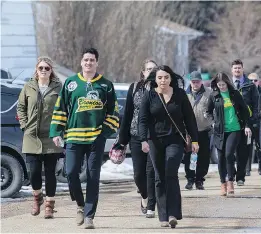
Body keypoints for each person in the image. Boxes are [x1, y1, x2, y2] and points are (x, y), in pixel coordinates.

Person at [49, 48, 119, 229]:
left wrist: (104, 132)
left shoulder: (106, 85)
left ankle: (89, 216)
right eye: (86, 60)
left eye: (92, 60)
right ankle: (79, 203)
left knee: (93, 176)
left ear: (97, 63)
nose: (89, 63)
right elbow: (61, 109)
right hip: (73, 137)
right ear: (81, 62)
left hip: (96, 138)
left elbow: (113, 113)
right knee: (71, 172)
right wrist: (56, 132)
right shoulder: (71, 83)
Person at [138, 65, 199, 228]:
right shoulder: (149, 95)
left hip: (175, 140)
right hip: (154, 140)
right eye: (159, 78)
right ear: (155, 79)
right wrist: (143, 139)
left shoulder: (180, 95)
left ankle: (173, 213)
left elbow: (190, 119)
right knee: (159, 177)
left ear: (171, 78)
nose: (163, 80)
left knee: (170, 170)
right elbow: (142, 119)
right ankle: (163, 216)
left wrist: (195, 141)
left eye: (166, 77)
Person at [17, 57, 62, 219]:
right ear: (36, 70)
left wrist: (60, 129)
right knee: (33, 172)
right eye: (41, 68)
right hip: (31, 136)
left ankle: (49, 205)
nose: (43, 70)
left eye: (47, 68)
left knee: (50, 172)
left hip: (51, 136)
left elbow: (64, 109)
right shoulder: (28, 87)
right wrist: (24, 125)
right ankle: (37, 197)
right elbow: (21, 107)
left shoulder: (58, 87)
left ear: (51, 71)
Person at [117, 59, 157, 218]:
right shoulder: (134, 88)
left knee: (152, 172)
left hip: (155, 137)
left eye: (154, 69)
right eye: (148, 69)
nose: (151, 72)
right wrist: (122, 139)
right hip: (136, 136)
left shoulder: (162, 88)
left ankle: (152, 205)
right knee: (139, 174)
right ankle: (145, 196)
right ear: (143, 72)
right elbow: (127, 114)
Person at [207, 72, 251, 196]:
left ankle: (231, 181)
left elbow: (245, 111)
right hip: (219, 131)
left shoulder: (235, 94)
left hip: (234, 129)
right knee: (220, 158)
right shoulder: (214, 96)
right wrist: (213, 122)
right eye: (219, 85)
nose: (221, 87)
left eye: (223, 84)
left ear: (227, 83)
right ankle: (223, 184)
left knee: (228, 154)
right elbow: (208, 112)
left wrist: (247, 125)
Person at [231, 59, 258, 186]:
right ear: (232, 70)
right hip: (230, 124)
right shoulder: (226, 84)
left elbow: (256, 105)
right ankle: (231, 173)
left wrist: (251, 123)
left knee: (243, 152)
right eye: (235, 68)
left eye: (239, 68)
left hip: (246, 124)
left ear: (243, 69)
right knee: (229, 152)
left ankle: (240, 177)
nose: (237, 70)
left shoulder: (250, 86)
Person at [184, 71, 213, 190]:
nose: (195, 84)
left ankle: (199, 179)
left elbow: (214, 109)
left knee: (204, 157)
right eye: (193, 82)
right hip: (189, 131)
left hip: (204, 129)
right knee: (188, 156)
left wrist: (211, 116)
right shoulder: (184, 94)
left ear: (201, 82)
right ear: (190, 82)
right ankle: (190, 179)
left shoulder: (209, 93)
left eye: (197, 81)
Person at [246, 72, 261, 176]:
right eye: (250, 80)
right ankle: (247, 169)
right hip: (249, 124)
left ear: (259, 82)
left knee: (260, 147)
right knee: (248, 146)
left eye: (255, 80)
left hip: (260, 124)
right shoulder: (245, 92)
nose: (253, 82)